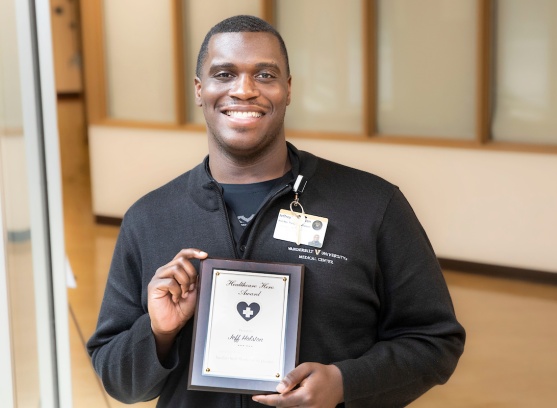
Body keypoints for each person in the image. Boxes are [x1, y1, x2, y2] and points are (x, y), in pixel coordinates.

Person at [87, 15, 465, 408]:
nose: (244, 90)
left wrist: (344, 383)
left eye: (265, 75)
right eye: (224, 74)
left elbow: (435, 340)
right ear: (200, 90)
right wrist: (159, 332)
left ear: (288, 89)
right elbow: (118, 380)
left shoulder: (372, 205)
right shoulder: (149, 218)